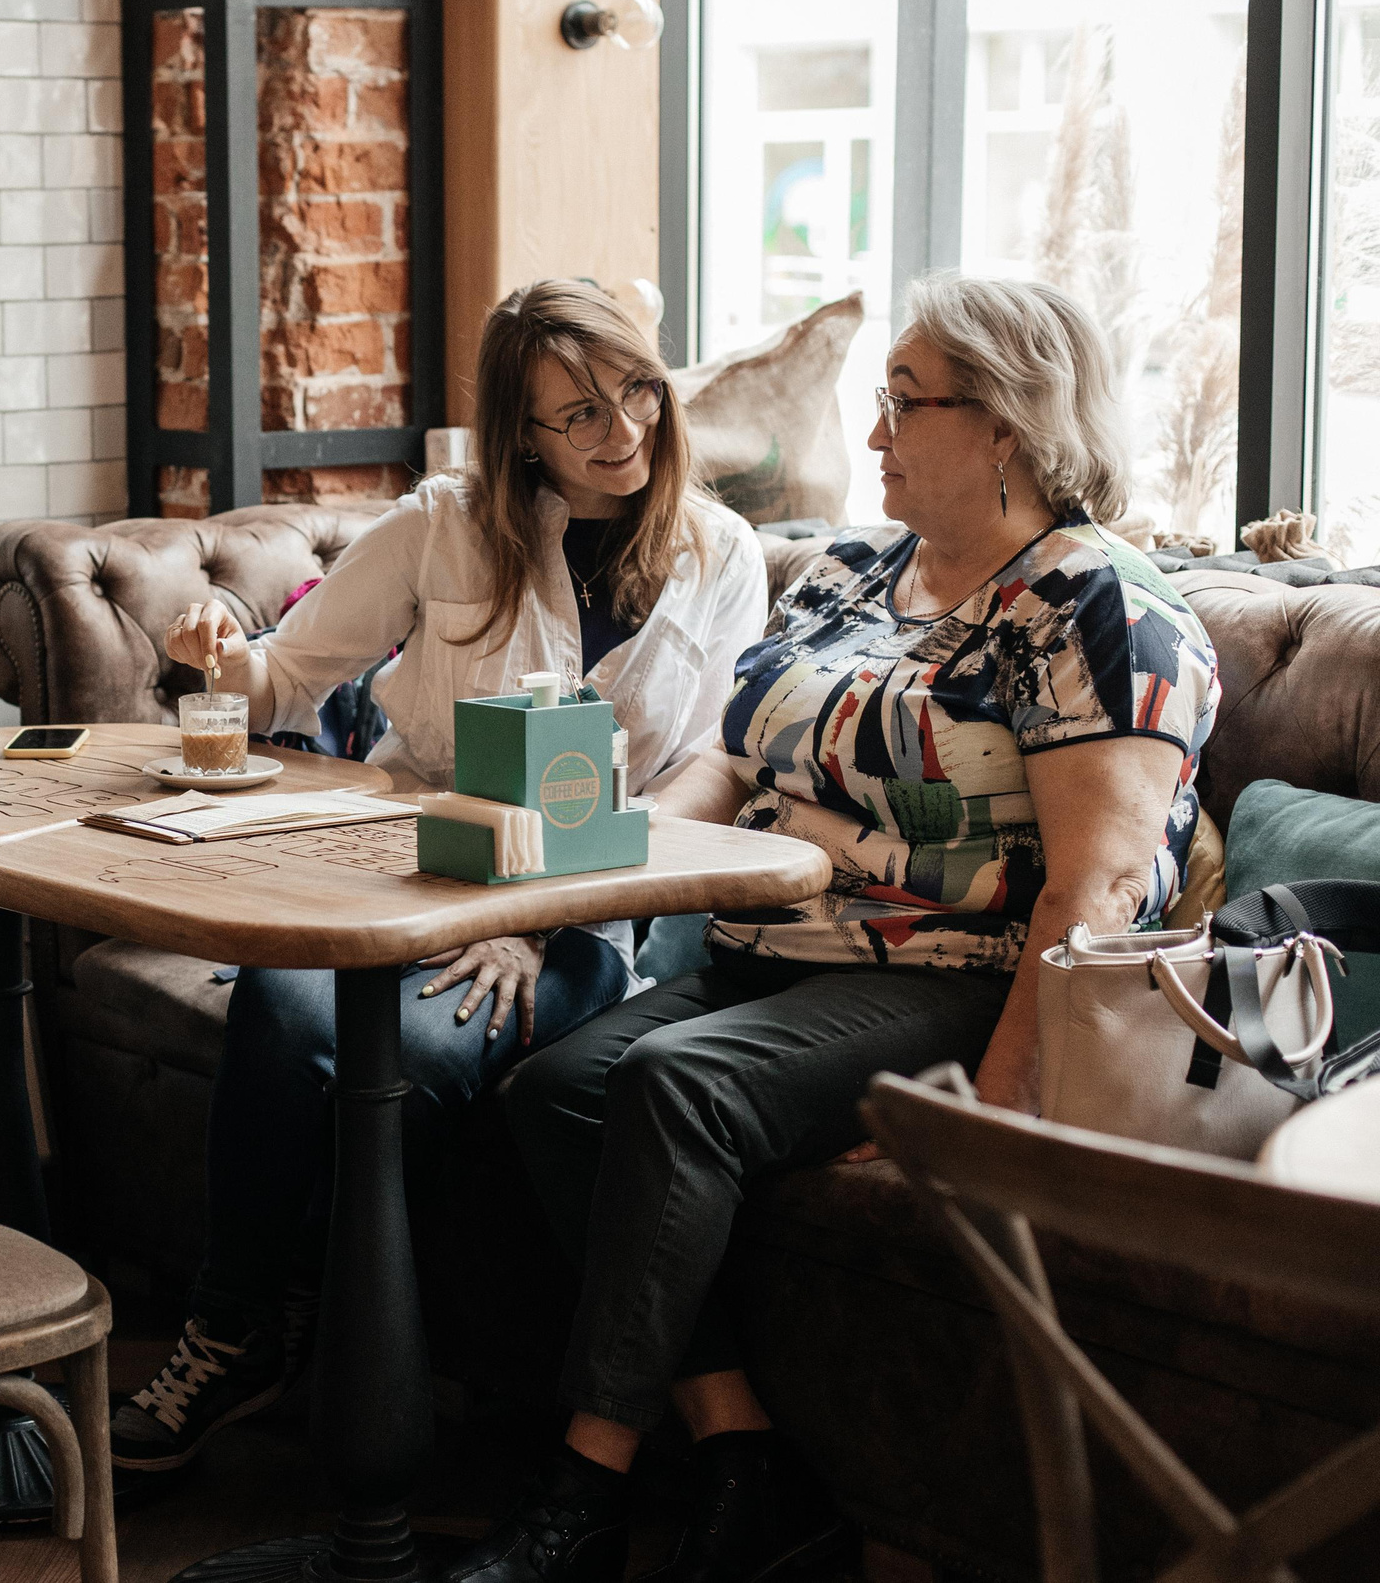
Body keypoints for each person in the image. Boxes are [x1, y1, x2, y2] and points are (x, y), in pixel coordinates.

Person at [468, 274, 1221, 1583]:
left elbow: (1093, 893)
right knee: (552, 1087)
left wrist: (989, 1115)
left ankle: (585, 1482)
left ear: (1008, 423)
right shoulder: (851, 569)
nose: (872, 433)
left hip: (957, 969)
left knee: (673, 1085)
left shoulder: (1093, 606)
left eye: (904, 402)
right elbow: (727, 760)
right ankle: (742, 1444)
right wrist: (586, 882)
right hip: (774, 945)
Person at [112, 281, 770, 1474]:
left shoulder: (722, 553)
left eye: (633, 391)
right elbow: (284, 680)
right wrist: (212, 646)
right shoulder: (442, 528)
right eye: (575, 415)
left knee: (407, 1058)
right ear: (519, 432)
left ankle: (342, 1362)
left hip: (605, 907)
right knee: (281, 996)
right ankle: (233, 1330)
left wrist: (536, 906)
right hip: (417, 874)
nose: (619, 431)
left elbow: (715, 769)